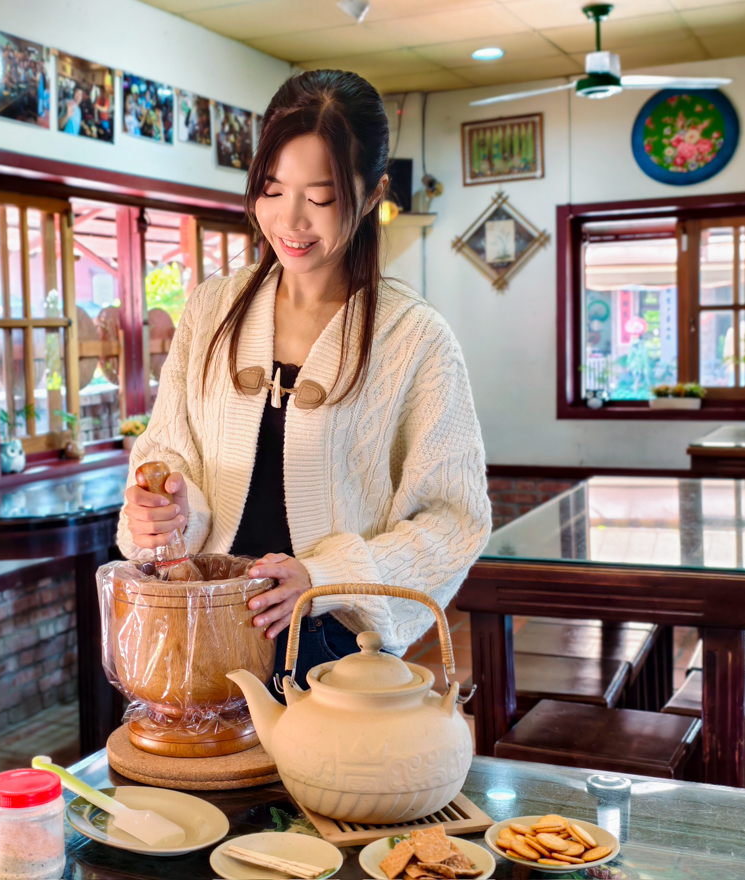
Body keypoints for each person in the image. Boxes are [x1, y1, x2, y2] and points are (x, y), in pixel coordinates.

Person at [117, 70, 490, 698]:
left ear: (373, 195)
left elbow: (456, 520)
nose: (289, 220)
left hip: (338, 648)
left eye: (319, 197)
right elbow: (168, 449)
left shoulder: (415, 340)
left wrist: (322, 575)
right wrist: (168, 511)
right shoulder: (211, 310)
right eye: (271, 188)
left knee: (323, 797)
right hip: (200, 622)